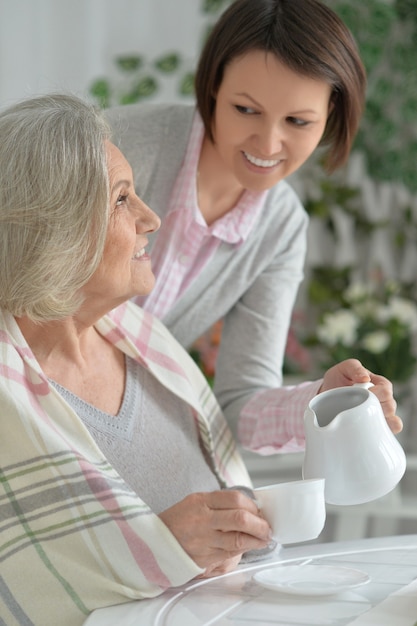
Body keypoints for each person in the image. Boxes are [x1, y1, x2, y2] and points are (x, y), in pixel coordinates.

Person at [0, 93, 272, 626]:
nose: (151, 218)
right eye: (122, 199)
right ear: (54, 230)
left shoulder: (148, 343)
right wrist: (156, 550)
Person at [106, 0, 402, 452]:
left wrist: (321, 400)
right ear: (213, 86)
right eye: (245, 110)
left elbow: (241, 399)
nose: (267, 143)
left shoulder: (280, 229)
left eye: (298, 122)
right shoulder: (115, 148)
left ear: (331, 118)